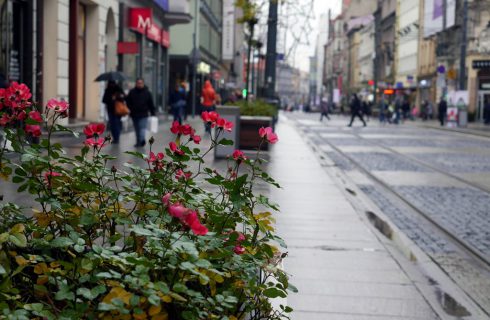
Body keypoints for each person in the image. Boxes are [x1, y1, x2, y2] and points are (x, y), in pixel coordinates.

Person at [126, 78, 156, 147]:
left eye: (141, 83)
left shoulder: (147, 92)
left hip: (143, 114)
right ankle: (138, 142)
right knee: (137, 130)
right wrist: (130, 108)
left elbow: (150, 103)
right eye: (138, 83)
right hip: (134, 114)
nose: (139, 84)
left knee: (142, 129)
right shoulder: (132, 92)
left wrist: (152, 112)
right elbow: (128, 101)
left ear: (143, 83)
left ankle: (142, 140)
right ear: (136, 84)